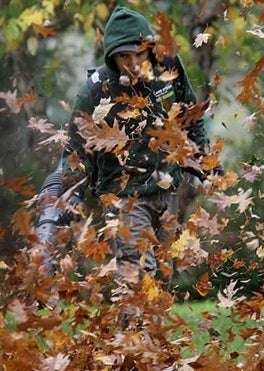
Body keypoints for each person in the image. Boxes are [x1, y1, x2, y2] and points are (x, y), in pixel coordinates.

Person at [36, 6, 220, 299]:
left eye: (139, 54)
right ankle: (134, 341)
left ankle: (136, 339)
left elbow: (190, 116)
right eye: (124, 57)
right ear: (112, 56)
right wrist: (58, 210)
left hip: (167, 186)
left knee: (159, 280)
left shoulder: (168, 67)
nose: (134, 63)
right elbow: (75, 157)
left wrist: (201, 159)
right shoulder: (95, 92)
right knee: (136, 273)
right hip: (124, 196)